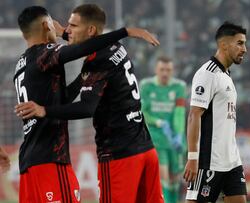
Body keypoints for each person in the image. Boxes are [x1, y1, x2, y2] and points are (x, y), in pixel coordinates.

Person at [15, 4, 164, 203]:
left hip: (118, 153)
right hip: (144, 147)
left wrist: (45, 110)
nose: (65, 29)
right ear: (46, 24)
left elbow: (86, 106)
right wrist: (123, 33)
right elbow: (85, 45)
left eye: (72, 25)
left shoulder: (22, 63)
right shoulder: (116, 48)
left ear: (91, 29)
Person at [183, 21, 248, 203]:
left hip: (232, 161)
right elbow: (194, 115)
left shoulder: (226, 74)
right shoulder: (207, 74)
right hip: (209, 161)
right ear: (224, 45)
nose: (245, 49)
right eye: (240, 43)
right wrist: (193, 158)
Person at [140, 56, 187, 203]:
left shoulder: (179, 86)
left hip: (174, 140)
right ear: (156, 70)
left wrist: (178, 135)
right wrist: (158, 122)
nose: (165, 73)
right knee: (163, 176)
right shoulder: (146, 86)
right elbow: (142, 113)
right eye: (162, 69)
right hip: (156, 139)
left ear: (173, 71)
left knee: (175, 180)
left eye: (168, 70)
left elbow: (179, 112)